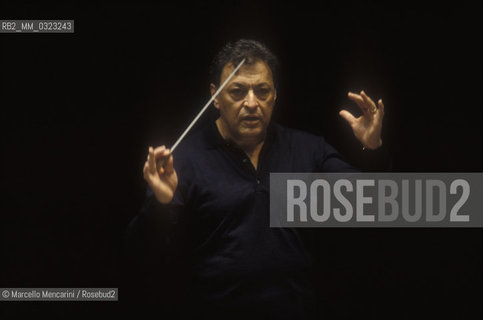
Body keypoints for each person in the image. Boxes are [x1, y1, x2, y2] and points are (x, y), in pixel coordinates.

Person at [128, 39, 386, 319]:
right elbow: (139, 254)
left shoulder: (307, 150)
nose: (251, 103)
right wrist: (161, 205)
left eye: (262, 91)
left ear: (274, 95)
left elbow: (374, 206)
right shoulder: (184, 161)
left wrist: (372, 148)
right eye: (237, 91)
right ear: (215, 97)